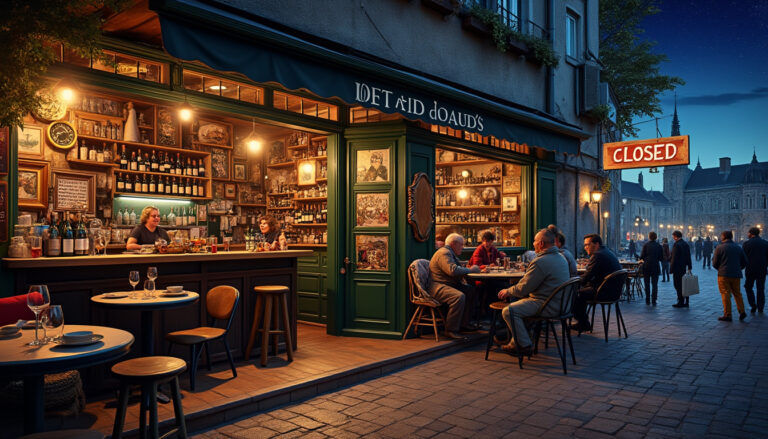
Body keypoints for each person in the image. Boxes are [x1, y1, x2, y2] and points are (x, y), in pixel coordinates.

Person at [495, 229, 569, 355]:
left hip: (546, 304)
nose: (533, 243)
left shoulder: (541, 261)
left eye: (534, 241)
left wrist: (507, 291)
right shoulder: (561, 257)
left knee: (509, 311)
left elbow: (524, 288)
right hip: (561, 304)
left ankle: (524, 345)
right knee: (519, 302)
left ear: (541, 244)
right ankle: (514, 341)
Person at [429, 233, 480, 339]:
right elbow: (452, 270)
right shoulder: (444, 253)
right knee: (458, 296)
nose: (463, 247)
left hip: (447, 284)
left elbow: (455, 269)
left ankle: (463, 324)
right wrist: (470, 270)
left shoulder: (449, 252)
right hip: (438, 286)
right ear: (453, 244)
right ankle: (451, 329)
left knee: (471, 291)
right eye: (461, 244)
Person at [572, 234, 622, 331]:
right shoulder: (607, 251)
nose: (585, 247)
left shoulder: (598, 255)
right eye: (585, 245)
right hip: (614, 292)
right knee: (581, 291)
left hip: (604, 292)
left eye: (587, 245)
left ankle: (583, 324)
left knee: (576, 294)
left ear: (597, 244)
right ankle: (583, 322)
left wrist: (572, 281)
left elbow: (587, 276)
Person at [712, 230, 748, 321]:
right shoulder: (738, 247)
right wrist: (739, 268)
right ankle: (742, 310)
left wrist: (720, 268)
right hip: (736, 274)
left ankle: (728, 314)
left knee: (725, 293)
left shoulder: (719, 247)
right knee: (737, 293)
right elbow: (745, 261)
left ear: (724, 237)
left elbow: (715, 262)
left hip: (723, 274)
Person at [742, 227, 768, 314]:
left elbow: (743, 257)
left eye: (748, 233)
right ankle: (761, 307)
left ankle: (753, 304)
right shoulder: (765, 243)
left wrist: (743, 266)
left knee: (748, 287)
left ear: (751, 233)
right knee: (760, 288)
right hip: (762, 269)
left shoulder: (746, 244)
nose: (747, 234)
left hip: (750, 269)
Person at [670, 230, 693, 308]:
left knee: (677, 285)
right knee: (685, 284)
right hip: (684, 268)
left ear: (676, 236)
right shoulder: (685, 244)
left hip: (677, 268)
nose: (673, 238)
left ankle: (680, 301)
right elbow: (688, 256)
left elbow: (674, 258)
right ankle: (686, 301)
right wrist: (689, 266)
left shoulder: (677, 245)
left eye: (673, 236)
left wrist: (671, 269)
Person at [640, 231, 663, 305]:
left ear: (649, 237)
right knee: (655, 284)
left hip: (647, 266)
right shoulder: (659, 246)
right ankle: (654, 299)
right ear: (656, 237)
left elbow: (642, 256)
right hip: (655, 266)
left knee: (646, 283)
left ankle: (647, 299)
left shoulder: (646, 245)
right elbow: (661, 258)